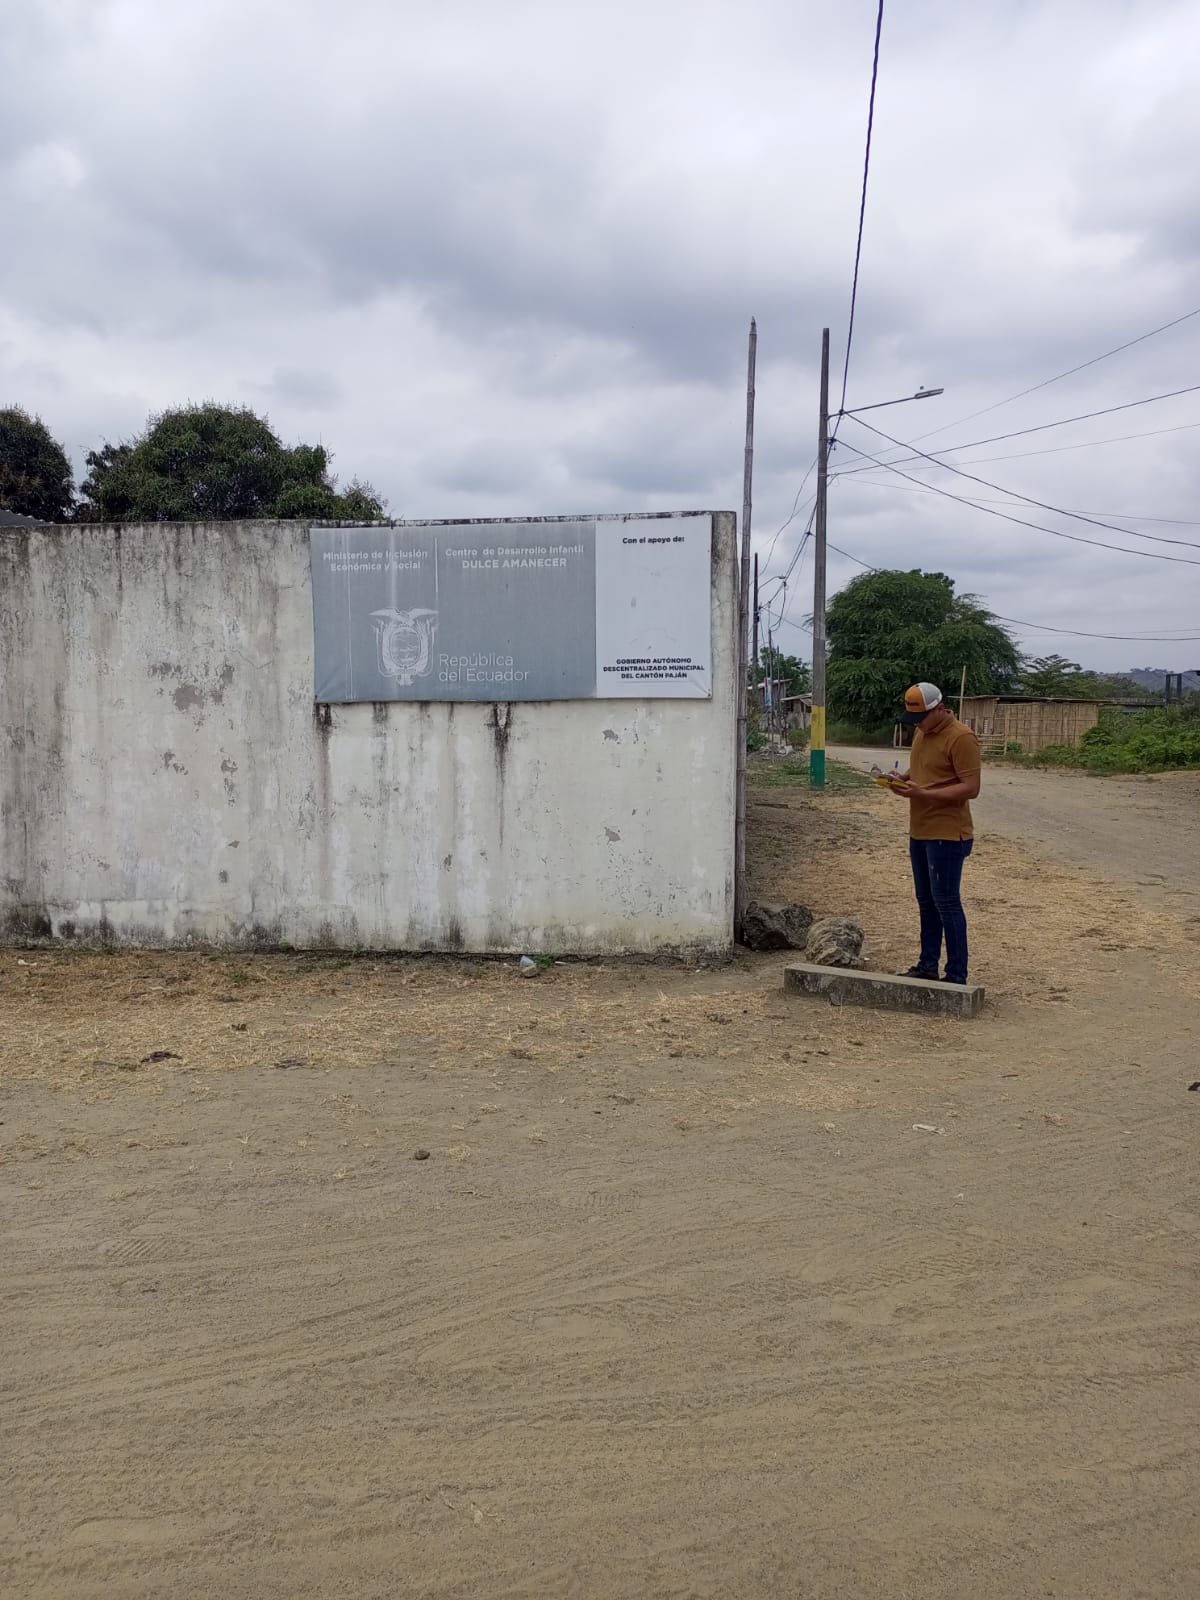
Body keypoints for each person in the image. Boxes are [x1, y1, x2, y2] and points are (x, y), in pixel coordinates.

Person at [887, 682, 981, 985]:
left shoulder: (961, 738)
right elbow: (923, 769)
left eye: (922, 718)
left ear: (939, 709)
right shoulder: (922, 731)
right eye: (914, 720)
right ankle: (927, 966)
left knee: (947, 903)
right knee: (926, 901)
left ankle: (956, 976)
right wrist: (902, 779)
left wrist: (924, 794)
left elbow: (971, 788)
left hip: (948, 834)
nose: (918, 725)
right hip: (920, 830)